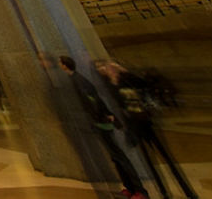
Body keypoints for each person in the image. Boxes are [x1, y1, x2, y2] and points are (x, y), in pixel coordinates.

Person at [100, 60, 198, 199]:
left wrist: (122, 69)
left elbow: (143, 84)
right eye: (108, 68)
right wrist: (113, 79)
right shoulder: (111, 86)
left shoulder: (127, 80)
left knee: (167, 158)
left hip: (146, 121)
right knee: (151, 163)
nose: (110, 70)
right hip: (135, 126)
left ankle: (188, 192)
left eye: (111, 68)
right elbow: (116, 101)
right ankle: (164, 192)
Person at [59, 56, 146, 199]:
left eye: (102, 66)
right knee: (116, 157)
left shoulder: (80, 80)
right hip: (101, 122)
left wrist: (104, 116)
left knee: (120, 157)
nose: (100, 69)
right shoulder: (81, 80)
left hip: (105, 123)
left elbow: (94, 102)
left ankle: (140, 190)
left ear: (64, 65)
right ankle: (130, 187)